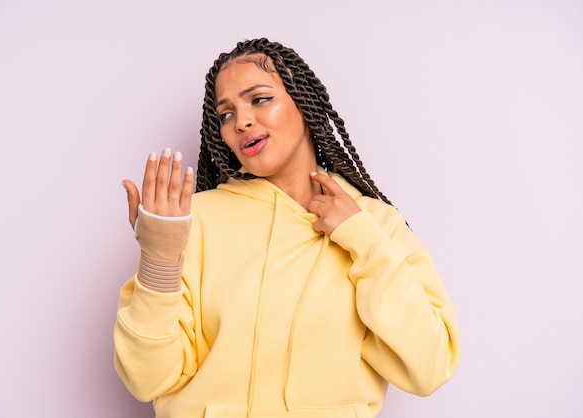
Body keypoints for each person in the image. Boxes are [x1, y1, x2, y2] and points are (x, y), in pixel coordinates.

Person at [115, 37, 460, 418]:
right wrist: (159, 256)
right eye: (225, 114)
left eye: (259, 99)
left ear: (303, 102)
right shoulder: (194, 220)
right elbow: (147, 379)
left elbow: (429, 368)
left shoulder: (375, 224)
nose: (241, 121)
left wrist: (362, 240)